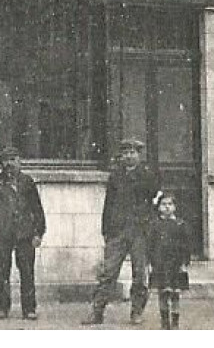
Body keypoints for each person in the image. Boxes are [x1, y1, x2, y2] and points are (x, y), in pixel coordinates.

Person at [87, 138, 161, 325]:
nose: (128, 156)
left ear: (139, 155)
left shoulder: (147, 175)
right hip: (117, 231)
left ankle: (137, 312)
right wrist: (105, 229)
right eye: (125, 153)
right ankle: (97, 311)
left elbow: (154, 199)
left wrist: (150, 229)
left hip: (139, 232)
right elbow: (108, 204)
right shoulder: (115, 176)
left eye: (132, 153)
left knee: (139, 274)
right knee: (108, 272)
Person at [0, 145, 47, 320]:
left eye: (13, 159)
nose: (10, 164)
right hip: (3, 233)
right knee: (3, 273)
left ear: (20, 161)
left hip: (25, 234)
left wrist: (38, 233)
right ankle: (2, 308)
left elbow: (37, 209)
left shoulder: (28, 182)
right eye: (6, 160)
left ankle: (29, 309)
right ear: (1, 163)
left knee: (27, 272)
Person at [149, 193, 191, 330]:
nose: (167, 207)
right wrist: (150, 264)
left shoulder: (180, 224)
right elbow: (151, 246)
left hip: (176, 264)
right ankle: (164, 322)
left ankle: (175, 322)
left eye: (170, 204)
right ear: (159, 207)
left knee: (175, 293)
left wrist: (184, 263)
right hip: (160, 264)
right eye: (164, 204)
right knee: (162, 293)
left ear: (175, 207)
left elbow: (186, 246)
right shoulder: (155, 225)